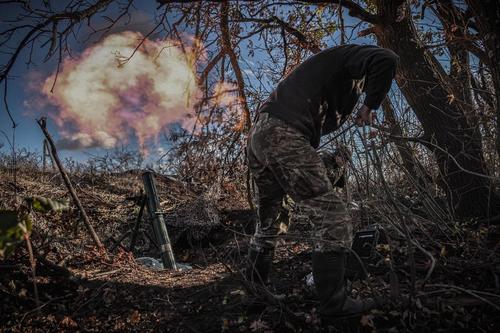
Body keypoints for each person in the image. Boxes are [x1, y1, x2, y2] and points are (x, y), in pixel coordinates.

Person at [246, 44, 398, 319]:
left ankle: (255, 295)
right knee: (333, 215)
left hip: (260, 135)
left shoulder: (327, 80)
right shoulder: (349, 57)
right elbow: (386, 58)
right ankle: (334, 305)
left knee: (271, 221)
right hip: (282, 132)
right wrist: (369, 105)